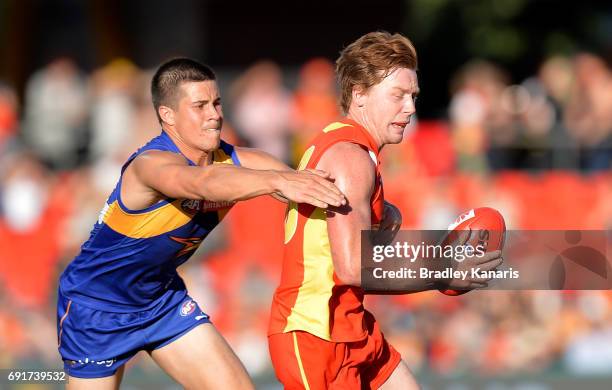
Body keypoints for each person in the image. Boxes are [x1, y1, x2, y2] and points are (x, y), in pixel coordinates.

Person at [56, 58, 346, 389]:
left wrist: (363, 202)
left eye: (217, 103)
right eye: (200, 105)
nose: (215, 114)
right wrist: (279, 181)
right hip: (96, 309)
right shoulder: (149, 164)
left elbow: (300, 186)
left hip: (160, 301)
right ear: (168, 115)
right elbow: (202, 184)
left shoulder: (238, 160)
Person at [268, 32, 503, 389]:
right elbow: (352, 268)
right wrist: (440, 272)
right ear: (359, 94)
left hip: (351, 325)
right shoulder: (350, 158)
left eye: (413, 96)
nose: (410, 108)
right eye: (398, 95)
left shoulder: (352, 150)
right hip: (315, 334)